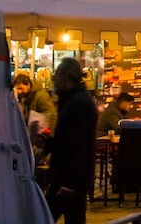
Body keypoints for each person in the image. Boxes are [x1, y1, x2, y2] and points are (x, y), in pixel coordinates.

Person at [43, 58, 98, 224]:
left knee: (44, 215)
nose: (54, 78)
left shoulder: (77, 104)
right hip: (75, 177)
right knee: (74, 217)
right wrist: (47, 142)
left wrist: (69, 182)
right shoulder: (75, 100)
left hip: (69, 178)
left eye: (57, 74)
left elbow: (77, 146)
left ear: (66, 77)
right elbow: (67, 140)